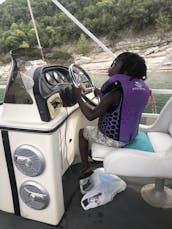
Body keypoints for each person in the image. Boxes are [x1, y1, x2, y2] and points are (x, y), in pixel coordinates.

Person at [73, 52, 150, 181]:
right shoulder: (139, 87)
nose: (110, 67)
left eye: (114, 64)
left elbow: (90, 115)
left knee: (83, 132)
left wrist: (78, 96)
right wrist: (100, 93)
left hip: (115, 139)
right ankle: (91, 156)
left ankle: (85, 167)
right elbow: (120, 104)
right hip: (131, 135)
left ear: (125, 71)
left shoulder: (114, 94)